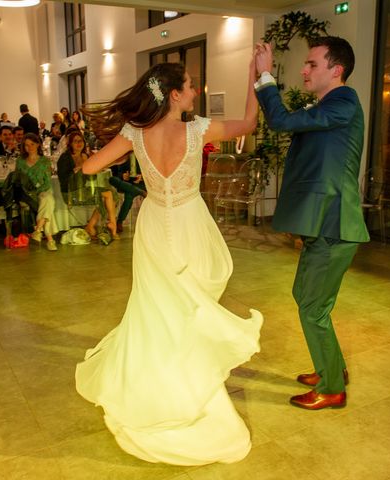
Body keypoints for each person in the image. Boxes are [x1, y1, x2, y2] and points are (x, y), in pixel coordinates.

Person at [75, 59, 263, 465]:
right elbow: (249, 123)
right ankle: (189, 390)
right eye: (191, 86)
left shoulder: (134, 133)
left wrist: (121, 157)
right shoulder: (198, 129)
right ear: (175, 94)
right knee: (190, 310)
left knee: (155, 309)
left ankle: (155, 388)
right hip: (191, 224)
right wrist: (256, 74)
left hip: (155, 225)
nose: (195, 91)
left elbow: (89, 166)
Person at [254, 37, 369, 410]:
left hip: (334, 226)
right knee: (305, 298)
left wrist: (265, 76)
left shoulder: (344, 101)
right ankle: (330, 366)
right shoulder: (329, 107)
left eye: (312, 64)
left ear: (336, 70)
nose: (304, 70)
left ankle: (332, 387)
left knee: (312, 308)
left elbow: (280, 120)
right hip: (322, 225)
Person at [57, 130, 119, 239]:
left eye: (80, 141)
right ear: (70, 143)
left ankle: (90, 226)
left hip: (84, 189)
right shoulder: (65, 158)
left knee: (112, 193)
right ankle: (113, 228)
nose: (79, 143)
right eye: (75, 141)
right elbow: (63, 179)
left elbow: (92, 176)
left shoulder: (85, 155)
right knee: (108, 194)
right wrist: (77, 170)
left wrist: (95, 168)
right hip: (71, 192)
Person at [14, 133, 58, 251]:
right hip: (27, 193)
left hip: (44, 190)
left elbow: (47, 182)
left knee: (46, 199)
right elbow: (17, 179)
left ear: (38, 144)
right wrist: (30, 190)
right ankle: (49, 239)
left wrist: (37, 190)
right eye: (26, 145)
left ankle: (39, 231)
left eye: (32, 144)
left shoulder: (44, 161)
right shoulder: (20, 161)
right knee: (48, 202)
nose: (29, 147)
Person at [109, 154, 146, 233]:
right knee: (112, 180)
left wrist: (142, 177)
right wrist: (122, 176)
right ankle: (140, 192)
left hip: (139, 184)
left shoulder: (143, 154)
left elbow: (150, 171)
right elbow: (112, 172)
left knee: (129, 194)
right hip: (124, 183)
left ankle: (120, 221)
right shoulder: (121, 155)